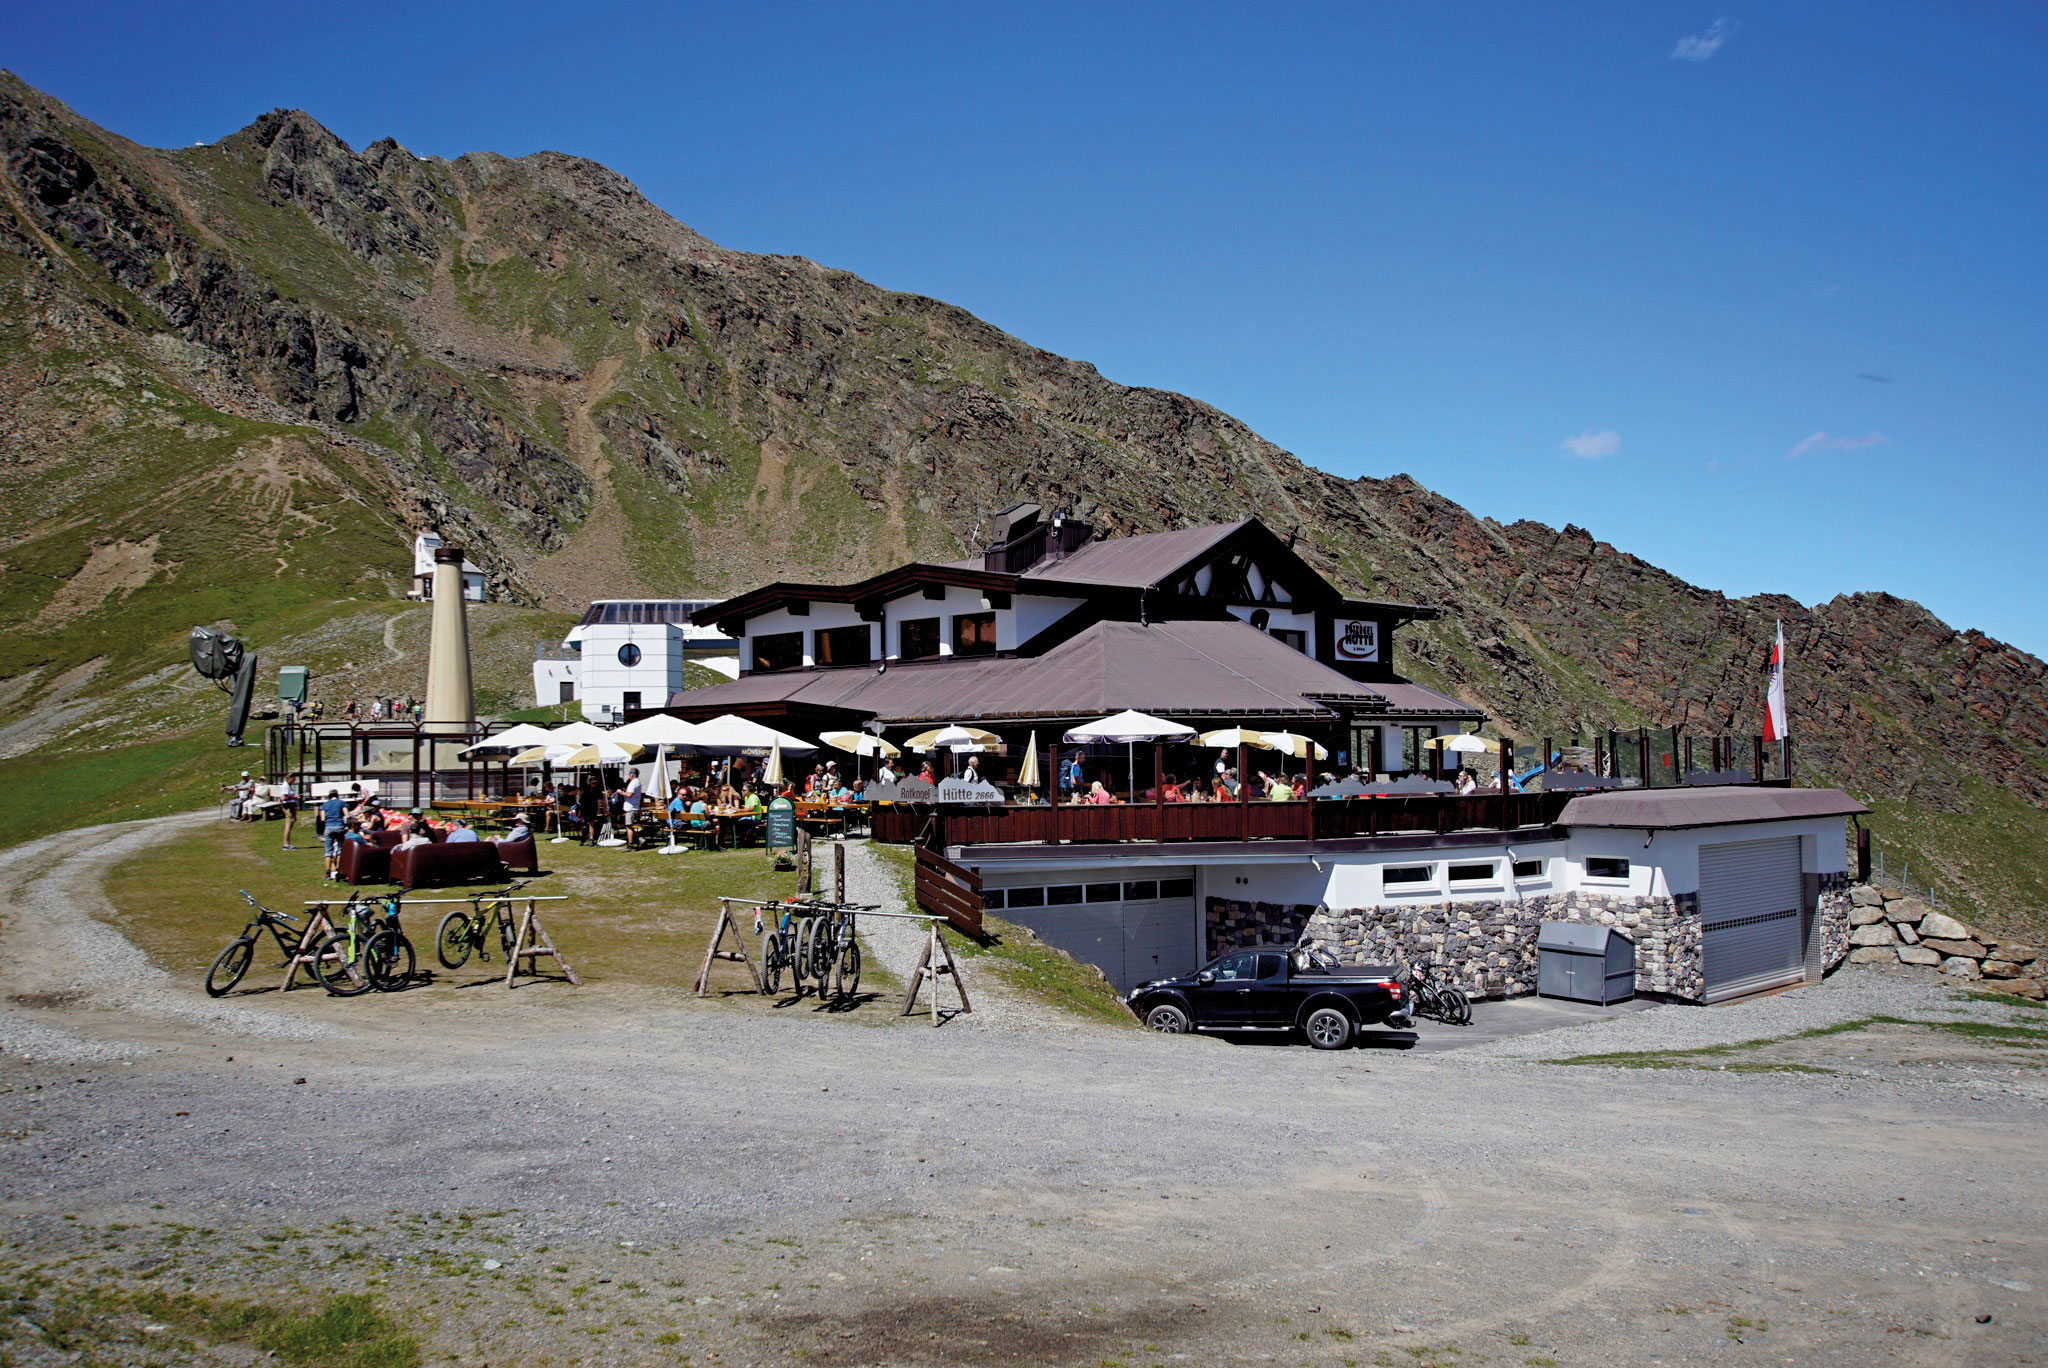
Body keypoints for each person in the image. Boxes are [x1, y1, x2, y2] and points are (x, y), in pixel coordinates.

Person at [278, 777, 300, 850]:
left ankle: (288, 843)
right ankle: (285, 844)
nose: (294, 781)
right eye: (293, 779)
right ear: (289, 778)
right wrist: (294, 797)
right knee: (288, 824)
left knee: (292, 822)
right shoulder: (285, 786)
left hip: (291, 805)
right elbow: (283, 798)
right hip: (288, 806)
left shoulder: (289, 785)